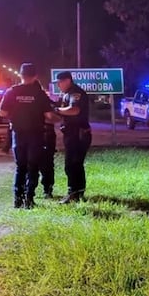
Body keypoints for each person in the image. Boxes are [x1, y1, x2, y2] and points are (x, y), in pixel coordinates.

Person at [0, 63, 59, 209]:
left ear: (20, 75)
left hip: (18, 134)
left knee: (20, 167)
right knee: (33, 167)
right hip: (35, 135)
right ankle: (29, 199)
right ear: (35, 76)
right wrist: (60, 118)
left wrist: (16, 113)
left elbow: (2, 112)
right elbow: (49, 115)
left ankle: (17, 199)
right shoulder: (39, 94)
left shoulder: (11, 91)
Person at [53, 71, 91, 204]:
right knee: (76, 164)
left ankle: (73, 193)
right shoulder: (65, 94)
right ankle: (78, 193)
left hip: (78, 134)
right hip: (72, 134)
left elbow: (74, 110)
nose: (58, 85)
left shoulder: (75, 93)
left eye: (60, 82)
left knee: (72, 164)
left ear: (68, 80)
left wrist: (56, 110)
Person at [34, 80, 57, 198]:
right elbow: (53, 116)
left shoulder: (26, 100)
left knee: (32, 162)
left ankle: (30, 190)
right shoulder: (44, 99)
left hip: (37, 134)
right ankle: (47, 189)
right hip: (46, 133)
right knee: (47, 163)